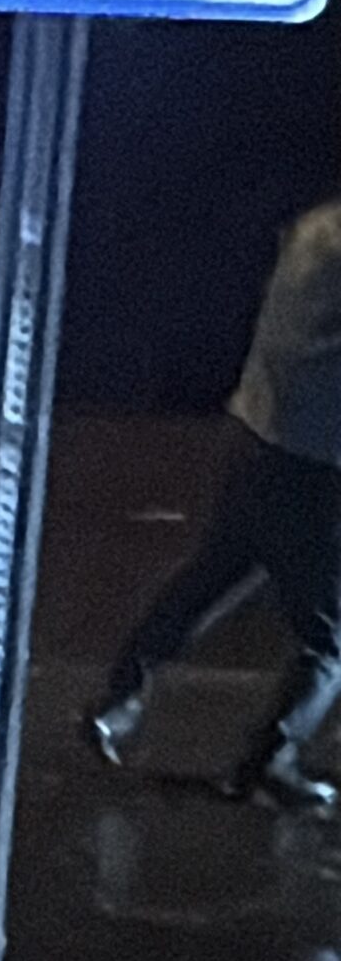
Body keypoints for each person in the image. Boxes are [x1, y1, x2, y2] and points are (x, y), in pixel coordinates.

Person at [87, 197, 341, 808]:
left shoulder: (315, 227)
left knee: (209, 580)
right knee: (330, 637)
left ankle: (117, 704)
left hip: (256, 434)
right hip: (312, 463)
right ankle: (268, 763)